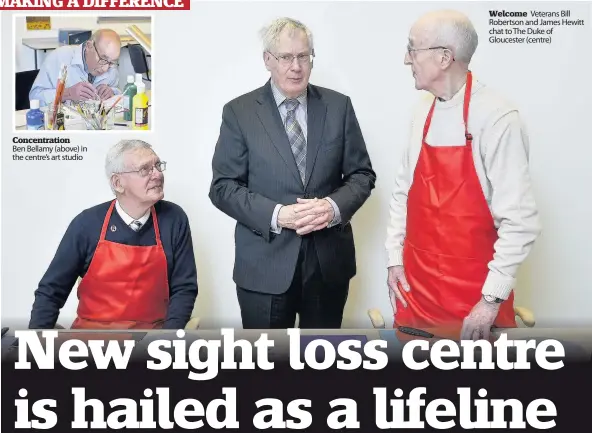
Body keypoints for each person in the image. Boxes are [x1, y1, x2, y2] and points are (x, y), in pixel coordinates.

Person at [384, 10, 541, 341]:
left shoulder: (498, 117)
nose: (405, 59)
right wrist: (394, 261)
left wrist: (489, 302)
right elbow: (403, 194)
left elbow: (520, 222)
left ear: (444, 57)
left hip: (476, 301)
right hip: (419, 298)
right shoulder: (420, 111)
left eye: (413, 49)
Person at [209, 17, 376, 329]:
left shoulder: (338, 107)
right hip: (264, 266)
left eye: (304, 56)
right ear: (268, 61)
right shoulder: (239, 112)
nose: (296, 66)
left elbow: (362, 175)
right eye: (286, 57)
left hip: (328, 264)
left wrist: (333, 207)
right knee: (267, 369)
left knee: (323, 367)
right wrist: (277, 215)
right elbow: (223, 187)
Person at [28, 140, 198, 330]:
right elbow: (51, 292)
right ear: (118, 183)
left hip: (152, 340)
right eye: (145, 169)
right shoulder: (87, 224)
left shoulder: (174, 219)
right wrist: (34, 343)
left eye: (158, 165)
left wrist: (167, 341)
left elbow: (184, 289)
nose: (157, 174)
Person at [29, 29, 122, 108]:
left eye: (111, 62)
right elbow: (34, 98)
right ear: (89, 46)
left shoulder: (112, 68)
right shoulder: (59, 57)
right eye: (103, 59)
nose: (105, 69)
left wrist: (112, 93)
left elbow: (119, 97)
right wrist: (67, 93)